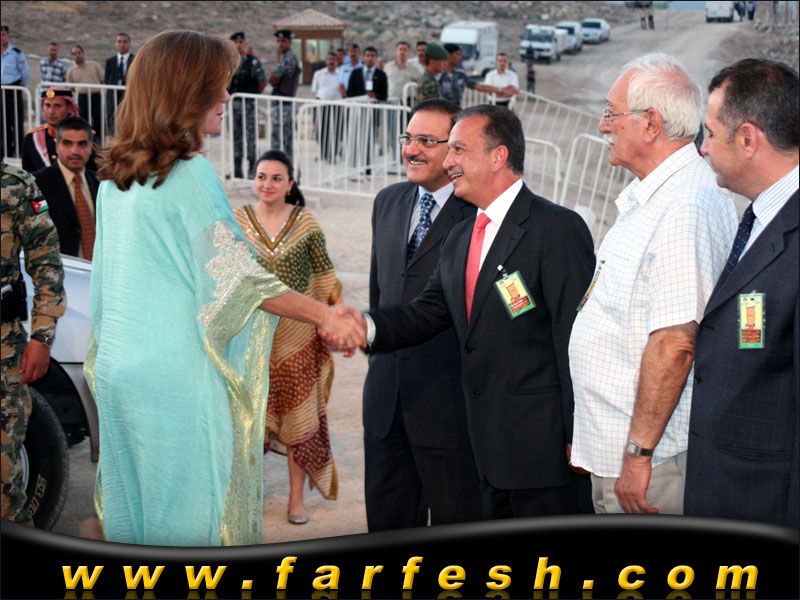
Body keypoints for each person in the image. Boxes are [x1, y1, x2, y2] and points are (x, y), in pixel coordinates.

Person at [88, 30, 363, 547]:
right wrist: (326, 316)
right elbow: (239, 280)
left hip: (120, 371)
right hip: (175, 378)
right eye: (219, 85)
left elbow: (105, 285)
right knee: (189, 520)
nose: (228, 97)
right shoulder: (189, 175)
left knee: (138, 517)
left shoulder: (112, 180)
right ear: (188, 91)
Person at [332, 105, 596, 519]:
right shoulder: (461, 236)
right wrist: (364, 326)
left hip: (542, 455)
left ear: (498, 156)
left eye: (458, 149)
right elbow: (425, 313)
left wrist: (579, 433)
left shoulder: (555, 228)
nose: (448, 161)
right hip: (485, 448)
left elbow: (575, 339)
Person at [568, 54, 738, 515]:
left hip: (651, 465)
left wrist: (638, 454)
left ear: (650, 124)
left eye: (612, 113)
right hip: (620, 451)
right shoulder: (657, 197)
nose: (603, 126)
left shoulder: (685, 207)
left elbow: (675, 344)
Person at [685, 58, 799, 528]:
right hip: (726, 491)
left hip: (764, 506)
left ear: (748, 139)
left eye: (711, 134)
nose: (703, 148)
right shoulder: (759, 217)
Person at [364, 99, 482, 531]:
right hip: (385, 405)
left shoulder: (478, 215)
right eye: (408, 138)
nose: (412, 150)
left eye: (427, 141)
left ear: (455, 150)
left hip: (449, 410)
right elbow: (380, 293)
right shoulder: (387, 202)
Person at [233, 150, 340, 526]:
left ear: (290, 184)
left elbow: (324, 277)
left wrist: (334, 321)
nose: (268, 184)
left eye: (277, 178)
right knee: (247, 420)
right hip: (249, 339)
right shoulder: (237, 222)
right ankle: (246, 495)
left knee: (299, 418)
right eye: (261, 176)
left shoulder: (305, 222)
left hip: (297, 339)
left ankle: (296, 498)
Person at [1, 159, 66, 526]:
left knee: (4, 482)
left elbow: (47, 264)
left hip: (3, 349)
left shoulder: (15, 185)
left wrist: (42, 337)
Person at [33, 116, 98, 259]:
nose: (75, 151)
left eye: (82, 144)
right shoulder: (37, 185)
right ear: (57, 146)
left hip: (97, 267)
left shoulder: (99, 182)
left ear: (91, 146)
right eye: (67, 144)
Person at [228, 31, 267, 179]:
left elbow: (262, 81)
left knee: (251, 136)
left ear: (245, 43)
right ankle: (237, 169)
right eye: (235, 42)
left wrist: (252, 96)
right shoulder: (228, 62)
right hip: (234, 104)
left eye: (241, 42)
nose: (238, 45)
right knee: (235, 136)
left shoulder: (252, 61)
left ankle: (252, 168)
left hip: (248, 104)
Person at [21, 87, 78, 174]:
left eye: (57, 106)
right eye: (47, 105)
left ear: (69, 108)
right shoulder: (32, 139)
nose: (51, 111)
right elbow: (27, 175)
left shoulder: (84, 137)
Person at [439, 44, 518, 107]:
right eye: (458, 54)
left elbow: (479, 86)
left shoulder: (459, 74)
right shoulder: (438, 74)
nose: (461, 57)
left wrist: (501, 89)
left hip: (455, 113)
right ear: (448, 55)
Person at [268, 29, 300, 160]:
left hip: (284, 103)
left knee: (282, 141)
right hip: (281, 103)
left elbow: (273, 78)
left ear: (290, 42)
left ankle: (286, 167)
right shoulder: (285, 57)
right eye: (278, 41)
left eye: (283, 41)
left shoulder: (288, 57)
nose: (280, 44)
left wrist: (273, 79)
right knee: (282, 140)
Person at [2, 25, 30, 158]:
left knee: (16, 121)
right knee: (3, 122)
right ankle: (6, 151)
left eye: (3, 34)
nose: (1, 37)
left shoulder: (16, 53)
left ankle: (19, 151)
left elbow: (25, 73)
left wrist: (20, 87)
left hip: (13, 90)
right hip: (1, 91)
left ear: (8, 36)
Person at [311, 52, 342, 161]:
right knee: (321, 129)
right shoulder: (318, 74)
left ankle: (333, 154)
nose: (331, 62)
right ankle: (323, 153)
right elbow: (315, 90)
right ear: (326, 61)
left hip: (336, 105)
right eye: (329, 59)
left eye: (333, 60)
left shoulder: (341, 74)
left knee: (335, 130)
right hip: (321, 104)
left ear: (336, 61)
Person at [66, 45, 104, 132]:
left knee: (98, 119)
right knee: (83, 120)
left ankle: (98, 139)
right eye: (74, 54)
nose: (77, 55)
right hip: (82, 98)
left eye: (79, 53)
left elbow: (102, 79)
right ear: (72, 56)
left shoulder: (94, 66)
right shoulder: (71, 71)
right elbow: (71, 87)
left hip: (95, 96)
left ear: (83, 53)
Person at [103, 33, 134, 132]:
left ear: (129, 44)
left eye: (125, 42)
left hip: (128, 93)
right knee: (111, 116)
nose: (122, 44)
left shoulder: (135, 60)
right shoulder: (110, 61)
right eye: (119, 41)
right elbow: (107, 79)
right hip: (113, 95)